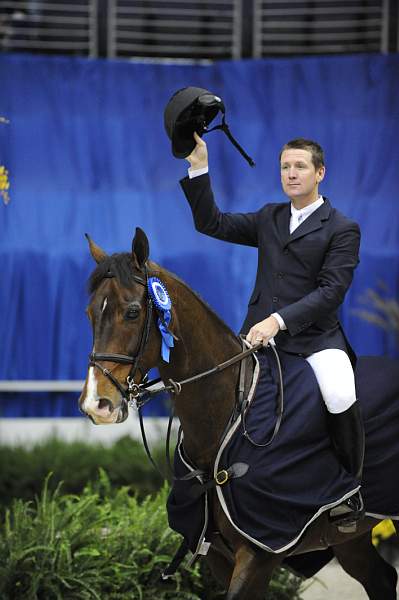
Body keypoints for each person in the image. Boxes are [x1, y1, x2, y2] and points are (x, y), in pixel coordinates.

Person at [179, 132, 365, 524]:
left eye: (300, 166)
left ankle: (350, 489)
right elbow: (212, 223)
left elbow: (331, 292)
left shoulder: (342, 228)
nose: (291, 173)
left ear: (320, 173)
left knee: (338, 392)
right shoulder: (270, 217)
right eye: (285, 167)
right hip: (258, 338)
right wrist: (198, 165)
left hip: (315, 341)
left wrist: (278, 321)